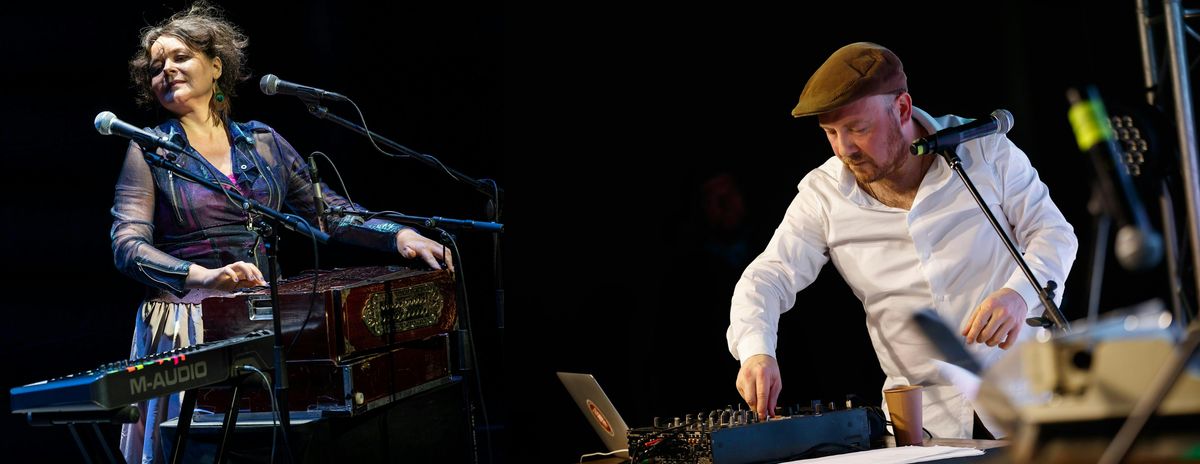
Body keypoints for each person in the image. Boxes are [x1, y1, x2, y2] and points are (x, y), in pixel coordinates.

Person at [110, 4, 451, 463]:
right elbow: (127, 246)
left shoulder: (263, 142)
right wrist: (202, 277)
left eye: (180, 57)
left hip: (266, 319)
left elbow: (329, 213)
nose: (166, 70)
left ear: (216, 66)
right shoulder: (148, 150)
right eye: (156, 67)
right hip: (187, 323)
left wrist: (398, 235)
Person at [725, 42, 1078, 439]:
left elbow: (1053, 233)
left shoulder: (983, 150)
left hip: (1027, 397)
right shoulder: (823, 196)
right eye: (831, 133)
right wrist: (756, 351)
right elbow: (767, 277)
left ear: (903, 108)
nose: (844, 149)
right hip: (922, 423)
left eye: (859, 129)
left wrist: (1018, 295)